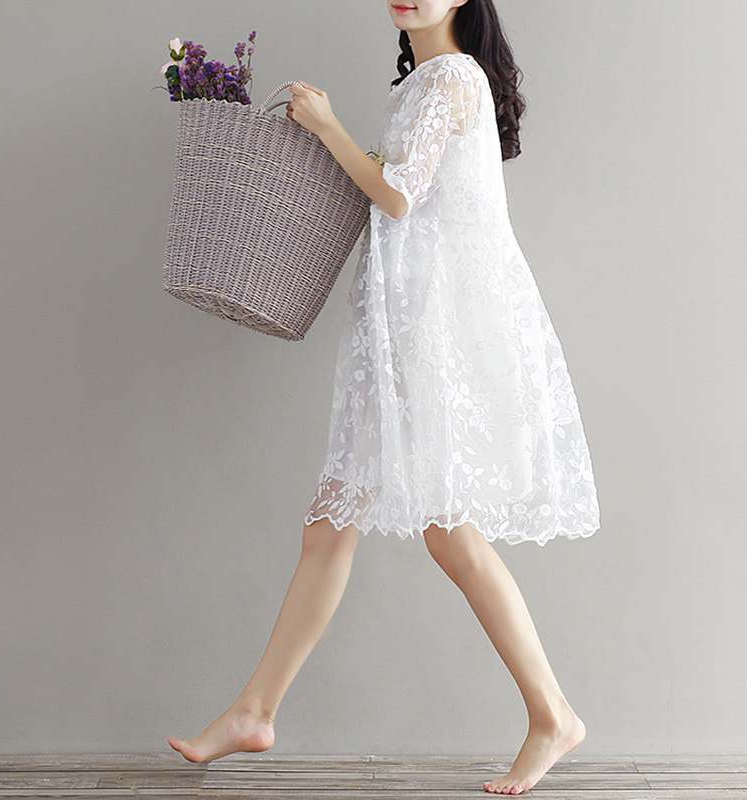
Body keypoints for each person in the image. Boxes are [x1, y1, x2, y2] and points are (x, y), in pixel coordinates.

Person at [168, 0, 601, 794]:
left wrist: (328, 126)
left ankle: (552, 714)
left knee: (445, 535)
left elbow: (398, 195)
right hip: (404, 333)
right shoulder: (423, 84)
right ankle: (255, 711)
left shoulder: (451, 77)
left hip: (434, 336)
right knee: (333, 527)